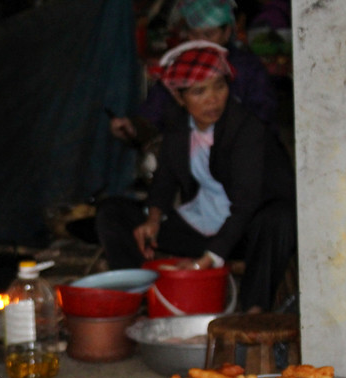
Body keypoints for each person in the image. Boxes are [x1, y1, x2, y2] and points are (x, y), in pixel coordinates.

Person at [94, 41, 296, 312]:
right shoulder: (178, 126)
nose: (213, 99)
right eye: (199, 91)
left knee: (279, 218)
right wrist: (153, 219)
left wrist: (207, 260)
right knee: (113, 212)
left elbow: (247, 203)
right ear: (179, 97)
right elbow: (165, 180)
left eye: (220, 86)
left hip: (245, 232)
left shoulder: (245, 129)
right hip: (202, 225)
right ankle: (138, 297)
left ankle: (254, 309)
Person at [110, 0, 278, 142]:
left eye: (209, 34)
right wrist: (134, 128)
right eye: (193, 34)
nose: (200, 42)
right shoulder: (181, 66)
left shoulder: (248, 69)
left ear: (227, 32)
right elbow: (156, 107)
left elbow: (263, 118)